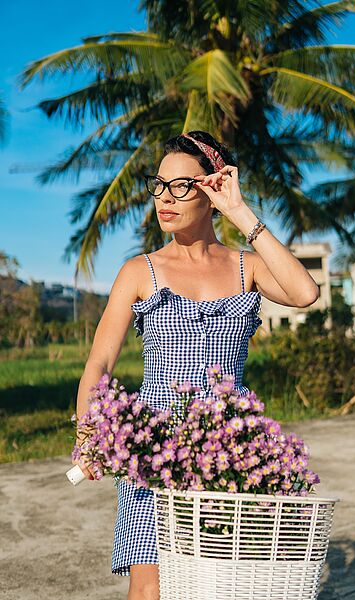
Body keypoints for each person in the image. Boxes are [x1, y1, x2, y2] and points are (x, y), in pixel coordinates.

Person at [71, 130, 320, 599]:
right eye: (159, 184)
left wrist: (240, 212)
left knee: (225, 585)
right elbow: (99, 363)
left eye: (182, 186)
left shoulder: (247, 266)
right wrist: (89, 436)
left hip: (232, 445)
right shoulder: (139, 271)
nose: (165, 197)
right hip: (154, 444)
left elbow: (305, 293)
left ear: (212, 189)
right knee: (151, 588)